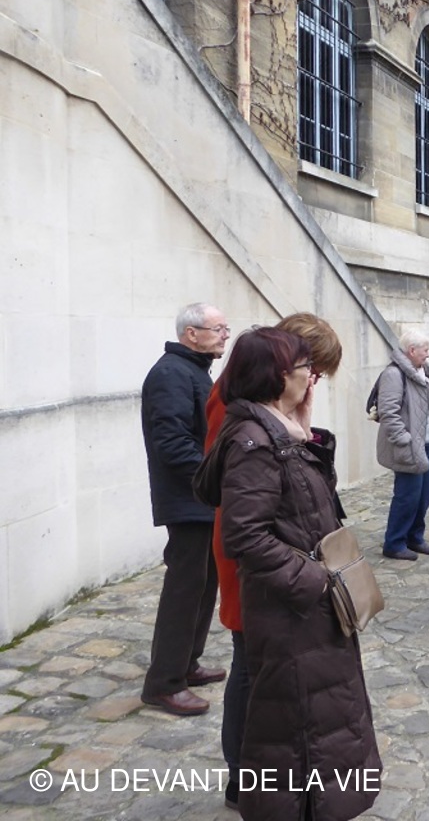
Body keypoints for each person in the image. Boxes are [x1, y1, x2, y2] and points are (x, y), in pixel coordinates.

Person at [196, 327, 380, 821]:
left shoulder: (276, 430)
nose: (312, 380)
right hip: (290, 604)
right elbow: (245, 535)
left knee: (313, 715)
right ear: (278, 376)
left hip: (300, 602)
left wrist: (304, 432)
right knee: (290, 716)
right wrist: (316, 580)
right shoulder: (255, 440)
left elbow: (312, 500)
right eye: (306, 370)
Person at [139, 302, 229, 717]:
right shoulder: (171, 374)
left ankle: (187, 664)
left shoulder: (194, 370)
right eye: (218, 328)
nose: (224, 335)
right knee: (184, 591)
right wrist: (217, 476)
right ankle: (164, 684)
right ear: (191, 334)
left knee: (204, 586)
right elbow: (172, 445)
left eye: (225, 329)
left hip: (202, 499)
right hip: (187, 500)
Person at [375, 329, 429, 560]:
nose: (428, 354)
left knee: (424, 495)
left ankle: (414, 537)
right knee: (407, 496)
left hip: (428, 443)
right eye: (425, 350)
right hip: (409, 445)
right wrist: (404, 440)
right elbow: (388, 412)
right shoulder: (394, 374)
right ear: (412, 350)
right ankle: (394, 543)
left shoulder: (423, 370)